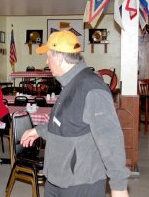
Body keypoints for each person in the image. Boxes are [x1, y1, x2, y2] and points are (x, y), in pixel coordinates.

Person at [21, 30, 130, 197]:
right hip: (57, 177)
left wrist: (119, 186)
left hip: (81, 181)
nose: (46, 61)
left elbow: (110, 138)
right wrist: (38, 130)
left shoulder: (91, 87)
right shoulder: (70, 83)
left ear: (60, 58)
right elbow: (66, 121)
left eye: (48, 56)